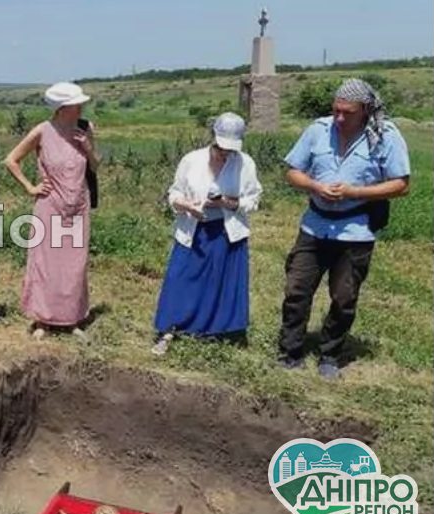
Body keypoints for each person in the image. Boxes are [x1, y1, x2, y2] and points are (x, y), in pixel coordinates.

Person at [276, 79, 411, 379]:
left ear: (364, 110)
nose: (339, 117)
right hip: (314, 225)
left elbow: (401, 184)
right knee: (296, 290)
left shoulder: (385, 135)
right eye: (336, 110)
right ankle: (290, 351)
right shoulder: (317, 130)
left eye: (346, 112)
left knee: (344, 298)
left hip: (356, 231)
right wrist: (314, 185)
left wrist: (354, 193)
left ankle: (330, 355)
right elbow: (292, 171)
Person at [150, 112, 263, 355]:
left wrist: (228, 203)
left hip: (226, 231)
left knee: (218, 281)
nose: (225, 153)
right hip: (194, 228)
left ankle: (212, 332)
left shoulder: (246, 163)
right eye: (222, 147)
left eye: (230, 149)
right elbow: (174, 193)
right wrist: (185, 205)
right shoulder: (191, 160)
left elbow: (253, 199)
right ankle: (169, 329)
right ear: (213, 138)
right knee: (181, 279)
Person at [4, 82, 100, 340]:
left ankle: (72, 319)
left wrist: (88, 148)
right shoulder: (42, 131)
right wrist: (30, 187)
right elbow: (11, 160)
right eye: (76, 104)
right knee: (46, 264)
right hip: (50, 207)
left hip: (78, 205)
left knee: (74, 265)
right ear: (62, 108)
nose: (81, 107)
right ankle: (42, 320)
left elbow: (96, 166)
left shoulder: (85, 128)